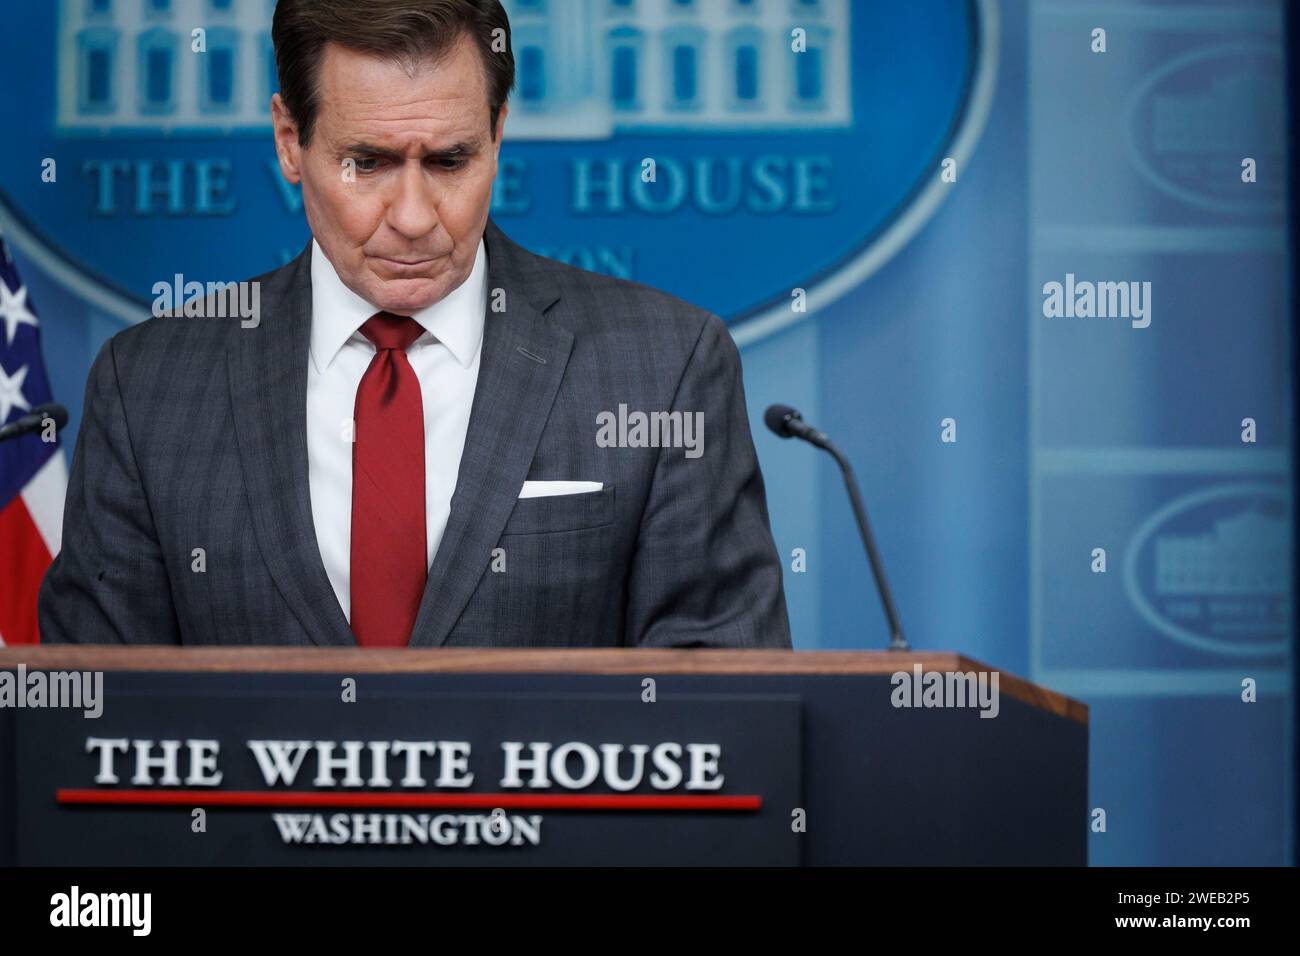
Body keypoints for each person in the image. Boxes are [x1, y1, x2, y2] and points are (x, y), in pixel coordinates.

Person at [39, 0, 790, 649]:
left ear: (498, 134)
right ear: (289, 141)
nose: (411, 217)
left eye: (450, 161)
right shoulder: (148, 389)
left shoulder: (665, 370)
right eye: (365, 162)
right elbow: (92, 738)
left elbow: (719, 724)